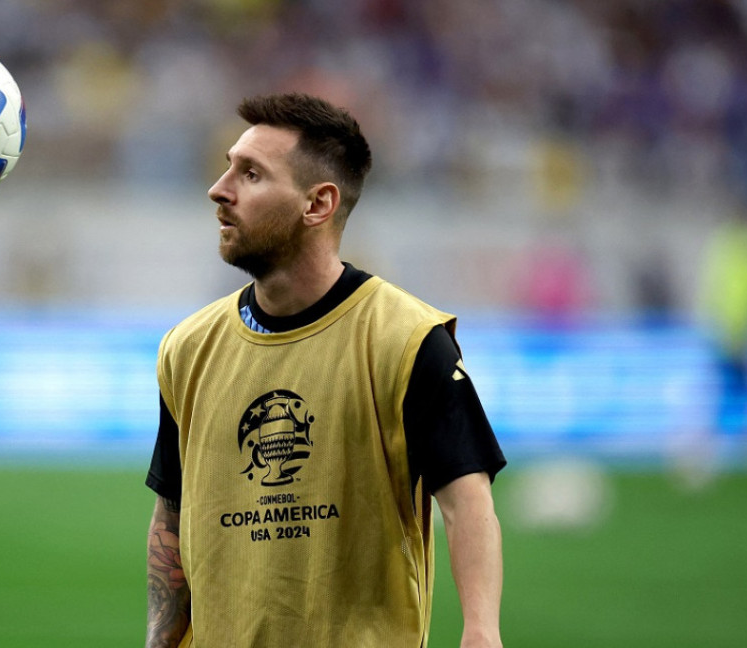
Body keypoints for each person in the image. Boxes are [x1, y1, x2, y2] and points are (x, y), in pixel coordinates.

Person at [144, 94, 506, 648]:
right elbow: (171, 512)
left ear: (318, 205)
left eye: (251, 173)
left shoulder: (406, 340)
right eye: (228, 167)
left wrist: (481, 631)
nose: (219, 189)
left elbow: (466, 497)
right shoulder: (188, 348)